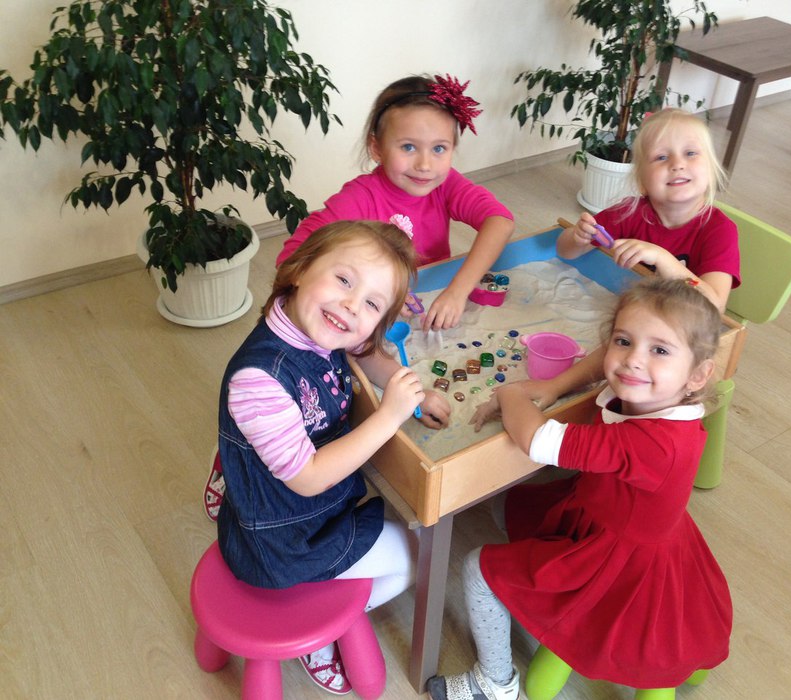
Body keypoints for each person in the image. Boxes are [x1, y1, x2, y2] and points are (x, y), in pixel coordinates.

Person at [428, 278, 733, 700]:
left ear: (698, 375)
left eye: (660, 350)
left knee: (478, 569)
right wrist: (553, 387)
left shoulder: (651, 444)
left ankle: (494, 682)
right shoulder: (662, 399)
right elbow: (602, 367)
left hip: (616, 558)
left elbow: (537, 440)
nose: (633, 361)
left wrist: (510, 392)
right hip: (613, 520)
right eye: (623, 341)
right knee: (511, 506)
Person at [217, 220, 450, 695]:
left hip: (298, 511)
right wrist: (388, 417)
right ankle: (320, 631)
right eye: (344, 280)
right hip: (284, 540)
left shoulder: (308, 322)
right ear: (300, 269)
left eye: (371, 304)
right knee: (415, 559)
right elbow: (307, 478)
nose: (351, 305)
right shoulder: (258, 379)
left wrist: (413, 392)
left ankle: (321, 598)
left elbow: (363, 352)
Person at [277, 73, 515, 331]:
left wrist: (458, 291)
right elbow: (291, 259)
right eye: (408, 147)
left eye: (439, 149)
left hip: (428, 295)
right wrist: (373, 292)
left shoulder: (446, 183)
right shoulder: (359, 198)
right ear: (376, 148)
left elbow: (500, 222)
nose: (425, 165)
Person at [557, 108, 739, 313]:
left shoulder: (720, 231)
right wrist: (577, 238)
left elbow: (714, 306)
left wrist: (662, 258)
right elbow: (565, 251)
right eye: (661, 157)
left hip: (686, 321)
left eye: (690, 153)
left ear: (711, 171)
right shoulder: (628, 213)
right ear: (642, 182)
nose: (677, 164)